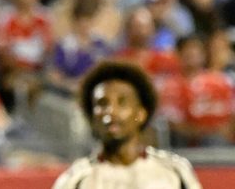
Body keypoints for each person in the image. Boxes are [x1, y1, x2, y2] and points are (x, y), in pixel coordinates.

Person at [52, 60, 202, 189]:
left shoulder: (175, 171)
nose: (111, 111)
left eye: (122, 103)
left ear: (140, 114)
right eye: (102, 103)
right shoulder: (76, 179)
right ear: (92, 116)